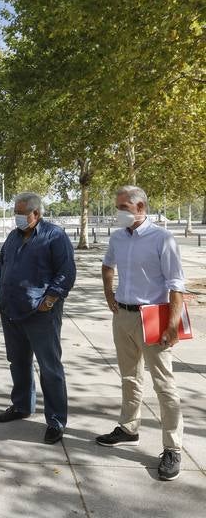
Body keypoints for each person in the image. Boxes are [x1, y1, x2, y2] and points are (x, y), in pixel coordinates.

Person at [97, 185, 185, 481]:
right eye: (117, 206)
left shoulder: (162, 238)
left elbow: (176, 285)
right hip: (123, 315)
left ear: (141, 208)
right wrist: (109, 293)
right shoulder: (118, 236)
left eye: (124, 207)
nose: (119, 212)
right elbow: (107, 265)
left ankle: (173, 447)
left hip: (153, 317)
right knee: (129, 376)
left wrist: (172, 325)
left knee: (164, 385)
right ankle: (128, 427)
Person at [0, 191, 76, 444]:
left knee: (49, 367)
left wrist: (50, 300)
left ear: (36, 214)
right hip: (12, 311)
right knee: (18, 362)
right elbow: (1, 266)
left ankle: (56, 420)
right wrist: (0, 294)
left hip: (41, 314)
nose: (17, 218)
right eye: (15, 213)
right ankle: (21, 406)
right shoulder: (12, 236)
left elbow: (66, 272)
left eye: (21, 214)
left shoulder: (55, 235)